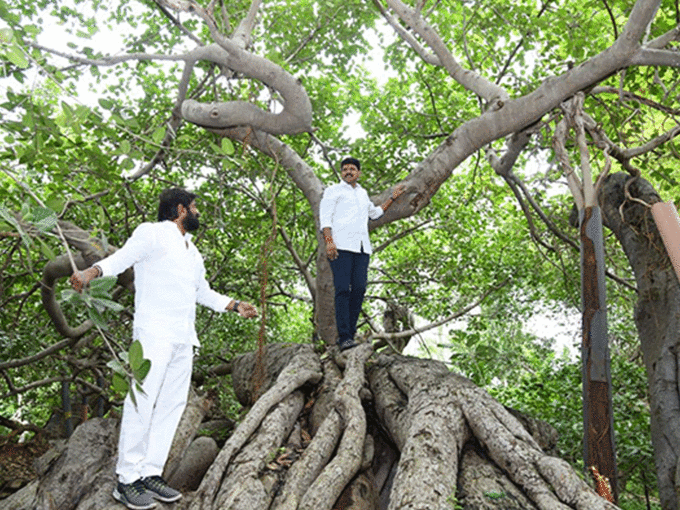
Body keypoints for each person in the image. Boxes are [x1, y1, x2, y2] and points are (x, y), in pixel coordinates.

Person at [70, 188, 257, 510]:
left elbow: (203, 292)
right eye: (195, 207)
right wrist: (91, 273)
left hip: (184, 337)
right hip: (153, 333)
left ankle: (150, 473)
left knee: (172, 406)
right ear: (181, 209)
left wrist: (235, 305)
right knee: (142, 401)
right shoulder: (152, 233)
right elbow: (121, 258)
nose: (198, 212)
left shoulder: (192, 252)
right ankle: (127, 480)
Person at [319, 157, 405, 351]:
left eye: (352, 169)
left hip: (362, 248)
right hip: (340, 246)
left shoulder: (363, 193)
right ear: (341, 173)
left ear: (358, 173)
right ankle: (344, 337)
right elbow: (325, 216)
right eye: (345, 169)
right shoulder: (333, 190)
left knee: (359, 289)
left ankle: (350, 333)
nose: (348, 172)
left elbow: (374, 213)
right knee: (342, 290)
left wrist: (392, 198)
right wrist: (329, 241)